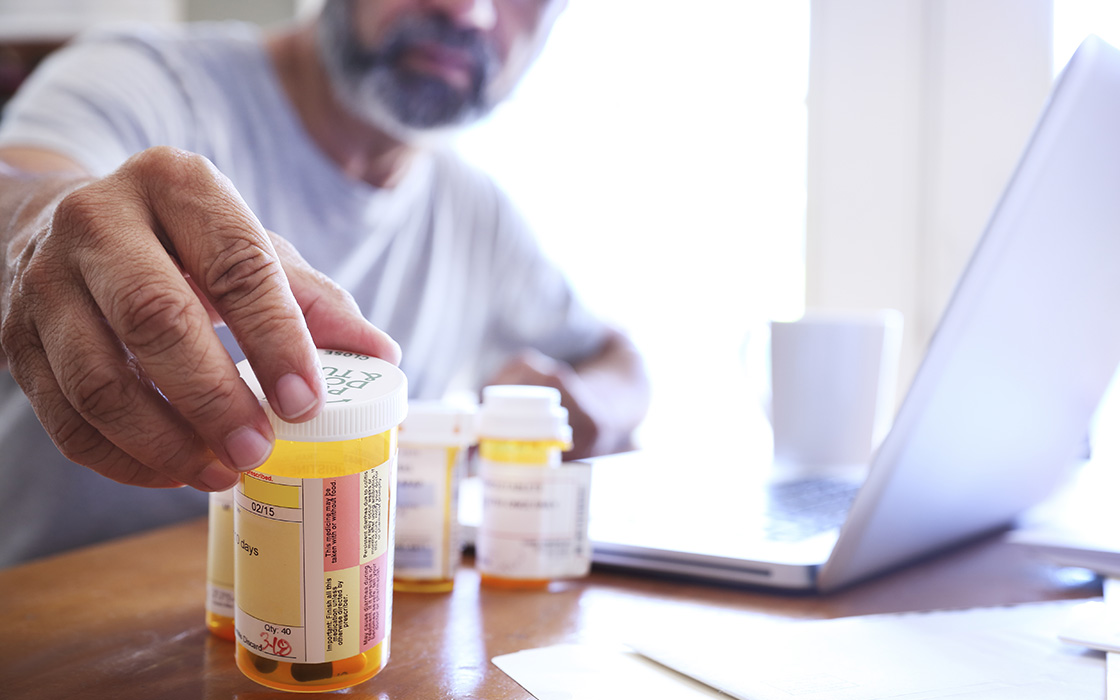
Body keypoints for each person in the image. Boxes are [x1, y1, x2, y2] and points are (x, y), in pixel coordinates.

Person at [0, 0, 649, 567]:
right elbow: (21, 190)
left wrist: (582, 410)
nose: (468, 10)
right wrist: (38, 227)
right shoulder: (143, 78)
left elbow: (617, 359)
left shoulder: (477, 212)